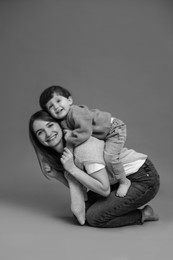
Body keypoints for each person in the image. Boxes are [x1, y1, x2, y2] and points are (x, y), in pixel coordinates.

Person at [29, 110, 160, 228]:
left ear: (60, 125)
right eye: (40, 132)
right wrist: (57, 175)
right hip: (115, 182)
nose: (47, 133)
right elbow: (80, 187)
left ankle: (143, 214)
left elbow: (104, 189)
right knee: (81, 213)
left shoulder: (83, 147)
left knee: (94, 218)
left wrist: (72, 169)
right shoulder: (66, 153)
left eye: (50, 125)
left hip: (142, 178)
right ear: (37, 140)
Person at [39, 85, 131, 197]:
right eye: (51, 107)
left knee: (109, 157)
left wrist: (70, 137)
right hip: (104, 133)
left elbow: (85, 131)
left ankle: (124, 181)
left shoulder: (76, 112)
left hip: (114, 129)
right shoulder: (63, 121)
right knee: (100, 157)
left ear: (69, 100)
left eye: (58, 101)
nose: (56, 106)